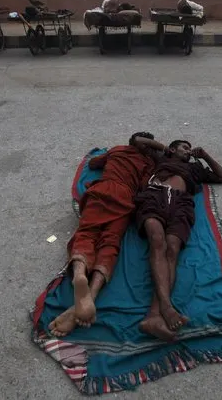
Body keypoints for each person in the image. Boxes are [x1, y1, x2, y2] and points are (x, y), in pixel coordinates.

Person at [48, 132, 166, 337]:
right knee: (110, 243)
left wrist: (106, 158)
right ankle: (90, 296)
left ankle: (79, 275)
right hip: (124, 198)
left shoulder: (117, 150)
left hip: (103, 189)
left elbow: (93, 164)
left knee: (86, 233)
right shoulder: (147, 163)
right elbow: (144, 187)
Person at [135, 140, 222, 341]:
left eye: (189, 149)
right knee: (157, 241)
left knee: (173, 250)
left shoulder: (195, 168)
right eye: (183, 147)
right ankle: (166, 308)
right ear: (172, 149)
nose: (188, 150)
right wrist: (164, 148)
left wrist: (205, 156)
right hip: (155, 196)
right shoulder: (162, 158)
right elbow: (137, 142)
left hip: (181, 204)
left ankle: (154, 316)